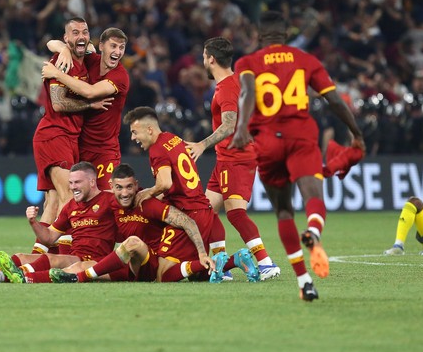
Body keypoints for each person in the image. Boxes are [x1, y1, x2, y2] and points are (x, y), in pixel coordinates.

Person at [230, 11, 365, 301]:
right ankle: (313, 231)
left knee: (283, 211)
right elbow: (333, 99)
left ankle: (304, 281)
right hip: (301, 136)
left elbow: (248, 93)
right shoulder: (306, 60)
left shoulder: (247, 62)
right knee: (313, 196)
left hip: (266, 141)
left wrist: (241, 128)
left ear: (258, 34)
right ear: (286, 34)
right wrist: (356, 132)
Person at [49, 163, 262, 284]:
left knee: (135, 245)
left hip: (154, 259)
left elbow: (186, 221)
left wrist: (200, 252)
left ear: (137, 186)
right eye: (119, 188)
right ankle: (234, 260)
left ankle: (82, 278)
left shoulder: (148, 204)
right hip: (134, 267)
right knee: (197, 277)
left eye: (129, 187)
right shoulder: (108, 202)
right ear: (112, 187)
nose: (125, 193)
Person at [123, 107, 258, 283]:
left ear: (149, 129)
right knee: (197, 274)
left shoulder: (157, 149)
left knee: (163, 275)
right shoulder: (172, 138)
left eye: (134, 132)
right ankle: (236, 259)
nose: (133, 138)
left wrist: (147, 192)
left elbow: (165, 183)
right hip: (203, 210)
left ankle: (217, 261)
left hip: (188, 213)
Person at [185, 37, 281, 281]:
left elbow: (229, 124)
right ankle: (221, 266)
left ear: (211, 59)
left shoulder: (227, 87)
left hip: (236, 158)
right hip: (227, 158)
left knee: (236, 214)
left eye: (204, 57)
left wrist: (202, 144)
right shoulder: (238, 81)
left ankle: (266, 263)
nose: (203, 61)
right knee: (207, 211)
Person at [0, 162, 118, 284]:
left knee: (53, 259)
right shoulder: (71, 206)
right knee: (22, 256)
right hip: (73, 257)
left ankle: (2, 276)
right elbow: (49, 238)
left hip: (94, 261)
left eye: (77, 182)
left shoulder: (110, 200)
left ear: (92, 181)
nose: (73, 187)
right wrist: (33, 222)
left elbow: (132, 203)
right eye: (71, 183)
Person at [30, 17, 110, 254]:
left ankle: (35, 261)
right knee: (69, 196)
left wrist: (61, 46)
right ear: (67, 37)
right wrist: (90, 104)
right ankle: (68, 258)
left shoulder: (82, 56)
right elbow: (59, 103)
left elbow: (51, 43)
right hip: (54, 135)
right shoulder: (61, 63)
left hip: (67, 138)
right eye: (74, 33)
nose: (81, 36)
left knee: (53, 202)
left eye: (84, 32)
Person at [43, 27, 130, 190]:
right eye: (113, 46)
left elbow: (90, 92)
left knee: (106, 201)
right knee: (72, 200)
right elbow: (51, 43)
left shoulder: (120, 76)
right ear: (101, 46)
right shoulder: (90, 59)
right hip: (79, 146)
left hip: (105, 150)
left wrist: (58, 74)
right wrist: (65, 50)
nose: (117, 52)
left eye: (121, 47)